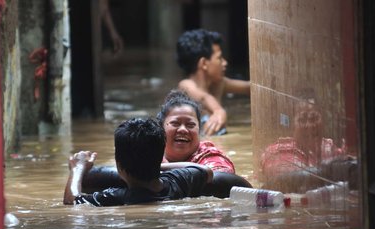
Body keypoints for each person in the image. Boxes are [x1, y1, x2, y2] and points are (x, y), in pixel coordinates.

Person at [81, 90, 252, 198]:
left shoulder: (211, 157)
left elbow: (219, 181)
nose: (183, 129)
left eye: (191, 125)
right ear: (160, 129)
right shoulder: (147, 150)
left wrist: (152, 169)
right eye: (176, 123)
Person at [63, 118, 213, 206]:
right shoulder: (178, 182)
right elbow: (206, 171)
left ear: (119, 165)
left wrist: (77, 169)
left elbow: (72, 202)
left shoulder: (116, 197)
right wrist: (156, 165)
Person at [176, 29, 250, 136]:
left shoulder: (219, 84)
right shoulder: (186, 85)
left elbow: (249, 88)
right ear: (204, 63)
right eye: (219, 58)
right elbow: (203, 97)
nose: (225, 62)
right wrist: (219, 110)